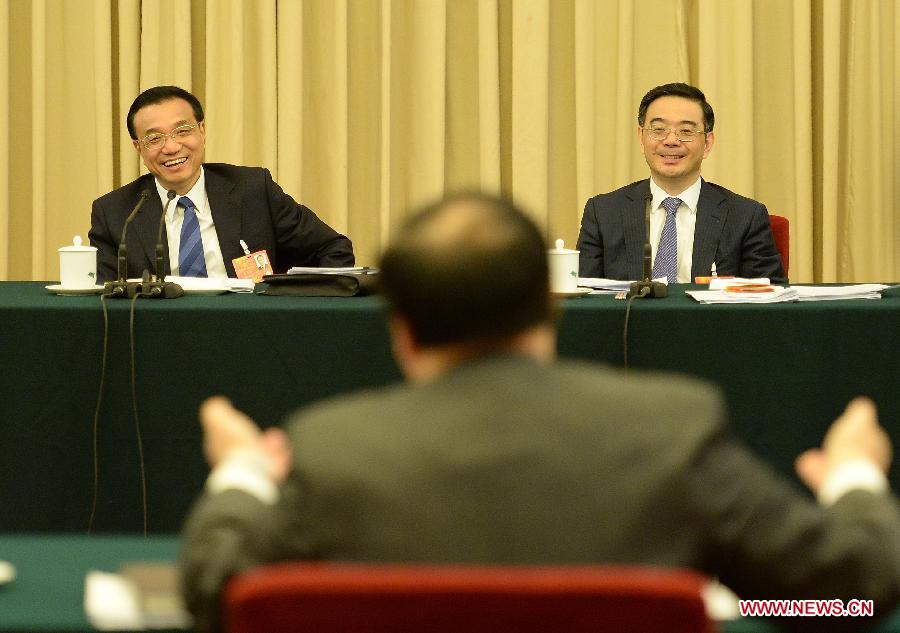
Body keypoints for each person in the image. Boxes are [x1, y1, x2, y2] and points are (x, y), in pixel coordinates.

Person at [182, 193, 898, 633]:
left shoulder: (332, 446)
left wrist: (244, 473)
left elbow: (219, 593)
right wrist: (855, 478)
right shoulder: (672, 428)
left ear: (399, 328)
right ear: (550, 306)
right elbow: (845, 597)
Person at [89, 86, 353, 282]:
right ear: (138, 147)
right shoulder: (116, 213)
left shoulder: (253, 190)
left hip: (252, 336)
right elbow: (102, 296)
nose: (171, 147)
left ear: (201, 131)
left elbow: (333, 250)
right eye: (154, 138)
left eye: (182, 131)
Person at [577, 83, 787, 283]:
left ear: (707, 143)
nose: (671, 140)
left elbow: (771, 303)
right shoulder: (603, 213)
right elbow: (583, 301)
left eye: (686, 131)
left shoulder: (745, 217)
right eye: (658, 129)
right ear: (641, 137)